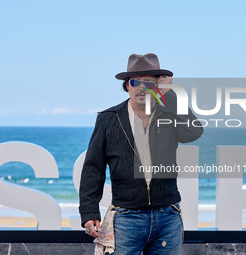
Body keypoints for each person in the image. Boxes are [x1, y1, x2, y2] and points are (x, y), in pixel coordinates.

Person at [79, 53, 203, 254]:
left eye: (150, 83)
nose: (142, 88)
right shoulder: (108, 119)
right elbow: (93, 167)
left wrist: (169, 94)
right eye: (136, 82)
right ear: (127, 85)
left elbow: (194, 131)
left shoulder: (169, 114)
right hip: (126, 218)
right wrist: (89, 211)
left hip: (167, 217)